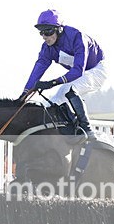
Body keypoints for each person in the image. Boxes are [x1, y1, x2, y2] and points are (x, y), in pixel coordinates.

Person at [20, 9, 106, 140]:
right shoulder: (47, 48)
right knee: (53, 101)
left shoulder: (77, 37)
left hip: (97, 69)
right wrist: (24, 95)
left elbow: (78, 70)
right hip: (79, 72)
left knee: (69, 90)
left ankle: (87, 130)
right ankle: (69, 129)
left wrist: (52, 82)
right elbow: (36, 72)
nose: (44, 36)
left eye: (48, 32)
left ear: (59, 29)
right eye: (41, 33)